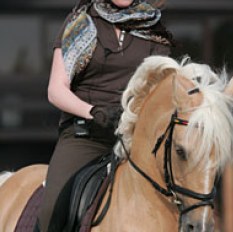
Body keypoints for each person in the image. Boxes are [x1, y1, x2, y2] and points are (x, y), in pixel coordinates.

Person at [37, 0, 174, 231]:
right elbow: (56, 90)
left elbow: (161, 88)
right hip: (86, 136)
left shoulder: (154, 28)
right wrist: (93, 112)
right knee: (52, 209)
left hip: (135, 138)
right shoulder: (80, 23)